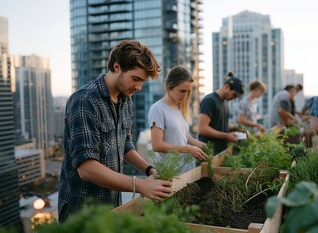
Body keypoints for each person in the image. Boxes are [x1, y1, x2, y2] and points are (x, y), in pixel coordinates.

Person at [58, 40, 173, 223]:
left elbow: (125, 145)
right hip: (82, 211)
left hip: (112, 205)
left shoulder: (125, 99)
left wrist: (150, 170)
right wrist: (140, 185)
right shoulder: (84, 101)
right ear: (117, 67)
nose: (138, 88)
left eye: (142, 82)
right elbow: (86, 168)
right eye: (136, 79)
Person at [148, 66, 208, 173]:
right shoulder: (158, 109)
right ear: (170, 86)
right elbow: (157, 145)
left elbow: (184, 136)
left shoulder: (181, 108)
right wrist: (188, 149)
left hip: (187, 169)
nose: (185, 95)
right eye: (182, 91)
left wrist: (202, 146)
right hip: (170, 171)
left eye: (188, 92)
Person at [198, 72, 245, 154]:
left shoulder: (225, 103)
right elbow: (202, 128)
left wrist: (233, 129)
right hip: (208, 153)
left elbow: (218, 124)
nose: (234, 98)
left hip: (220, 152)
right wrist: (226, 136)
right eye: (234, 95)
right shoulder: (210, 100)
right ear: (227, 87)